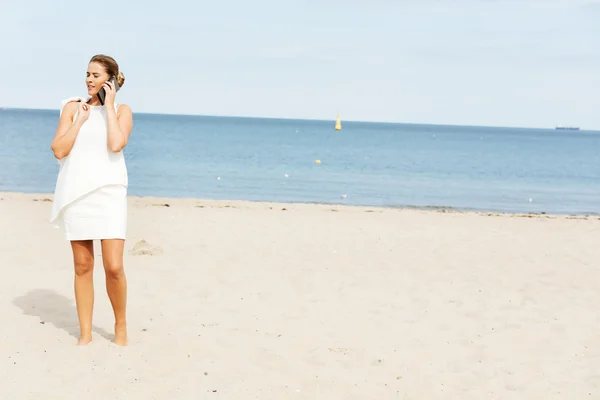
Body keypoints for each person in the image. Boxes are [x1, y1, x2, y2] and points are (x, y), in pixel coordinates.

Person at [49, 54, 133, 346]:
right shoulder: (72, 108)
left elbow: (115, 143)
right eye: (87, 74)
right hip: (76, 192)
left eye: (96, 75)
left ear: (110, 80)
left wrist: (108, 106)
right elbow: (59, 150)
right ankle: (85, 333)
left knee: (113, 266)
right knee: (83, 265)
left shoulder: (122, 111)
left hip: (109, 193)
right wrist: (80, 120)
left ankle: (120, 326)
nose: (89, 79)